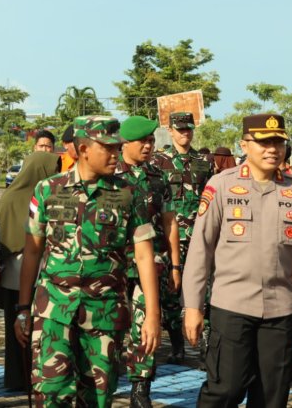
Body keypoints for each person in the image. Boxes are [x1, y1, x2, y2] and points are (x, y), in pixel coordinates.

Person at [182, 113, 292, 407]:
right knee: (225, 390)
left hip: (280, 311)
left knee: (271, 396)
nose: (272, 149)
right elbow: (200, 249)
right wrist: (193, 306)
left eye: (278, 142)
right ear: (244, 144)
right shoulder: (221, 186)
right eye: (263, 142)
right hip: (231, 308)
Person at [15, 115, 161, 407]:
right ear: (83, 150)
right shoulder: (48, 190)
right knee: (51, 392)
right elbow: (32, 251)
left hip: (104, 313)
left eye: (117, 147)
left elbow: (144, 255)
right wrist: (22, 308)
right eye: (107, 148)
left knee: (97, 397)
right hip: (53, 310)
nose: (115, 154)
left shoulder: (129, 194)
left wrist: (153, 315)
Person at [117, 116, 179, 407]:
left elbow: (170, 222)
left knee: (146, 323)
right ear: (125, 143)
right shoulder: (110, 175)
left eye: (151, 140)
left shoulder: (158, 177)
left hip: (149, 264)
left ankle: (140, 387)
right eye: (142, 141)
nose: (148, 145)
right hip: (114, 266)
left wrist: (175, 265)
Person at [0, 151, 60, 392]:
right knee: (18, 331)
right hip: (17, 276)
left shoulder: (51, 194)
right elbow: (2, 235)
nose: (55, 173)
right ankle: (18, 378)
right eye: (51, 168)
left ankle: (40, 376)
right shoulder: (13, 198)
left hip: (39, 274)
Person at [151, 111, 212, 364]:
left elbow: (211, 199)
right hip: (170, 238)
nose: (185, 133)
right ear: (171, 130)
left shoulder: (204, 161)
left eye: (188, 129)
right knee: (170, 293)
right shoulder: (158, 162)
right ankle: (177, 346)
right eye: (180, 129)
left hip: (199, 237)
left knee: (204, 293)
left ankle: (206, 349)